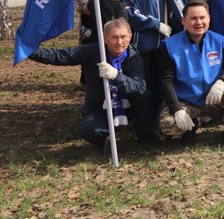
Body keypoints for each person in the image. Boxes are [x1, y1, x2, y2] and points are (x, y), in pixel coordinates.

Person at [27, 19, 156, 151]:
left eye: (123, 37)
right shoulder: (92, 51)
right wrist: (31, 52)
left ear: (130, 36)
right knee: (90, 131)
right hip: (99, 106)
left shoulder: (134, 57)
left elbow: (139, 87)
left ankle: (144, 137)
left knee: (146, 95)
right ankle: (102, 137)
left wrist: (116, 76)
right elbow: (62, 56)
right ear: (105, 39)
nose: (119, 42)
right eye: (114, 37)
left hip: (127, 106)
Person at [158, 0, 224, 150]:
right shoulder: (170, 45)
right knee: (168, 125)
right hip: (188, 103)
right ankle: (191, 126)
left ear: (209, 19)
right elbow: (166, 81)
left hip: (214, 98)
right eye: (193, 18)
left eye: (202, 17)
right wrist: (177, 109)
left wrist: (221, 81)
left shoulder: (219, 40)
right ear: (184, 21)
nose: (198, 22)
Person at [121, 0, 170, 99]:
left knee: (165, 80)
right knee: (147, 83)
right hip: (144, 42)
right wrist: (155, 24)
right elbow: (129, 11)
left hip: (167, 41)